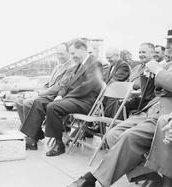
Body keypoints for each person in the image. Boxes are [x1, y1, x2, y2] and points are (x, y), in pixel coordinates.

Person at [67, 45, 172, 187]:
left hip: (165, 113)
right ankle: (147, 175)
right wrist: (149, 75)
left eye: (144, 52)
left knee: (129, 136)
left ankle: (92, 179)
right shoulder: (163, 65)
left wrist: (158, 71)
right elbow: (146, 90)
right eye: (139, 51)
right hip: (151, 107)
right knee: (112, 134)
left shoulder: (155, 66)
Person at [20, 40, 102, 156]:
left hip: (85, 101)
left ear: (82, 50)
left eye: (73, 53)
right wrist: (60, 95)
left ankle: (59, 145)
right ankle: (32, 138)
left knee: (53, 106)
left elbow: (87, 87)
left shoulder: (95, 64)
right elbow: (66, 84)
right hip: (72, 99)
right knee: (39, 101)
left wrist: (64, 97)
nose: (72, 56)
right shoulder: (78, 65)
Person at [16, 43, 74, 124]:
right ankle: (26, 129)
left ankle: (33, 134)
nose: (59, 56)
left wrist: (40, 94)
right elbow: (47, 84)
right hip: (46, 94)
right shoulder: (57, 67)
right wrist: (36, 92)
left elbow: (58, 87)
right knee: (19, 101)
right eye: (58, 53)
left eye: (62, 54)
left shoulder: (72, 67)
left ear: (68, 53)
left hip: (55, 97)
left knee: (27, 103)